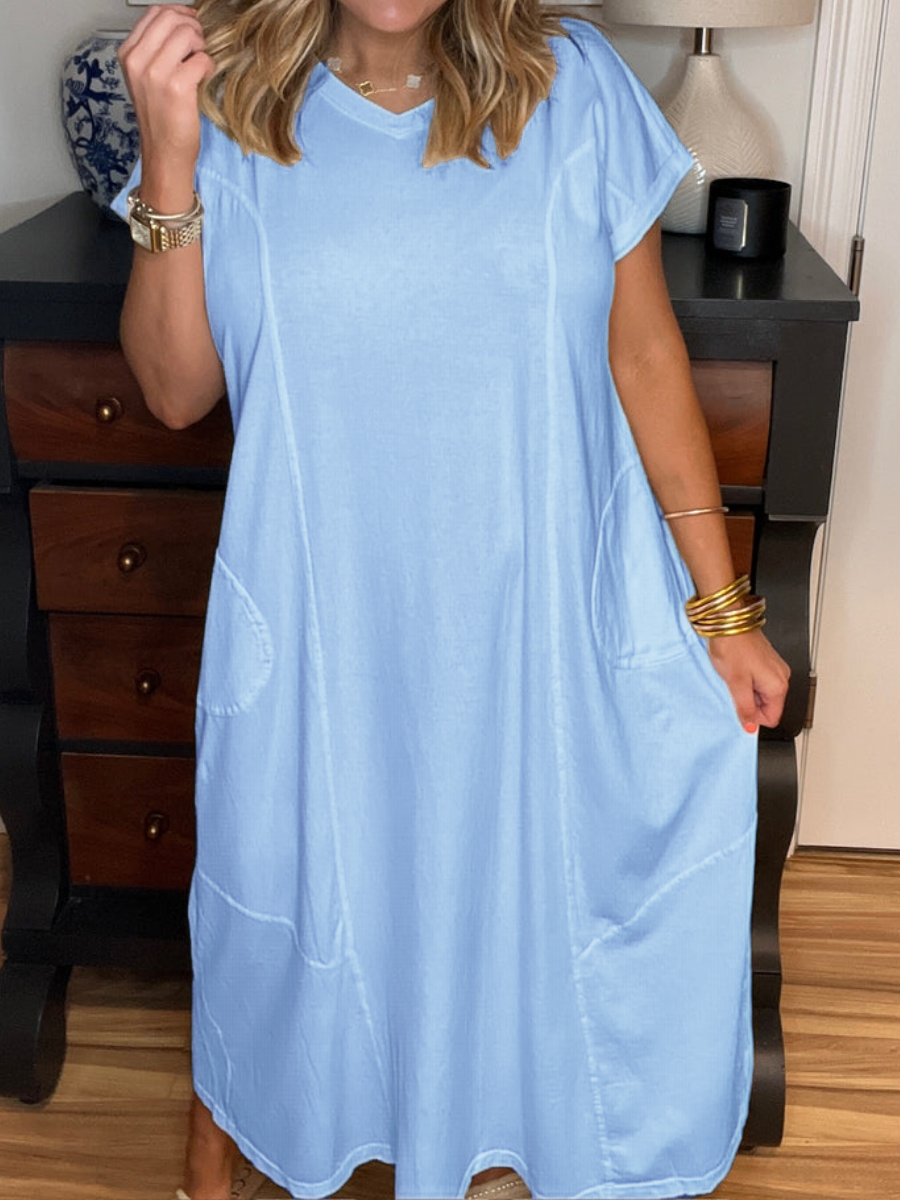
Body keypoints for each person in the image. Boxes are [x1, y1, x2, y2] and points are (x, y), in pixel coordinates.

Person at [115, 2, 790, 1198]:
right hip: (325, 626)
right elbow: (175, 392)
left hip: (531, 627)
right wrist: (169, 156)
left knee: (511, 891)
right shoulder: (223, 102)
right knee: (290, 885)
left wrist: (722, 611)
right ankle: (232, 1120)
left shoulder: (575, 86)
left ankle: (488, 1133)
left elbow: (641, 354)